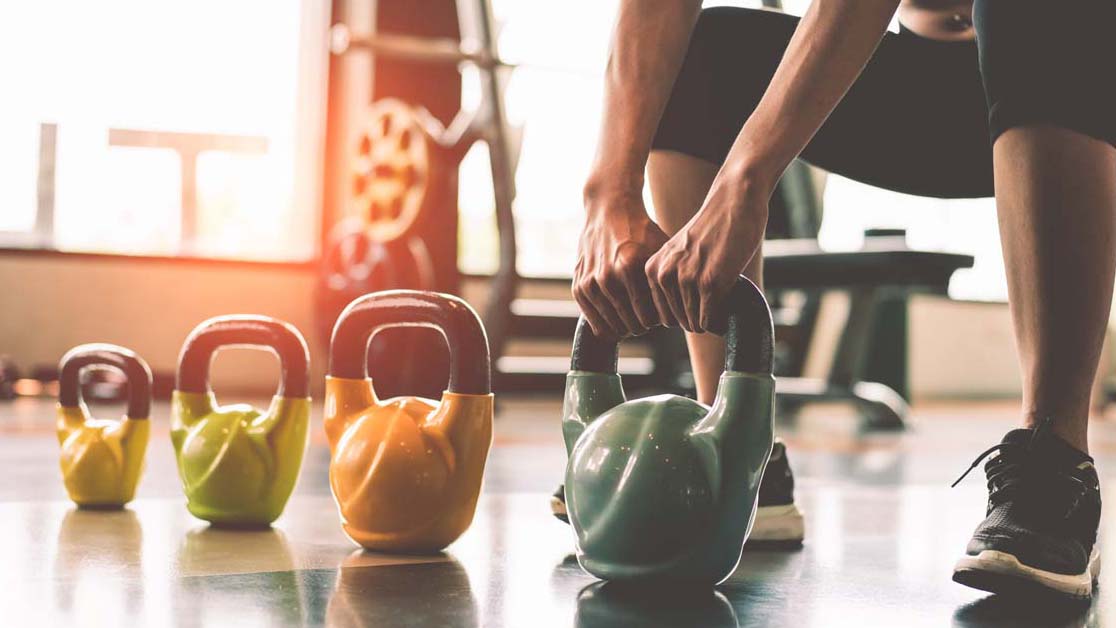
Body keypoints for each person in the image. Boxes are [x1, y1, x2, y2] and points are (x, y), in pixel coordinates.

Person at [555, 0, 1115, 598]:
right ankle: (737, 450)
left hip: (1079, 68)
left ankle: (1056, 466)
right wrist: (607, 196)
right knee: (707, 50)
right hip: (941, 93)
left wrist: (744, 181)